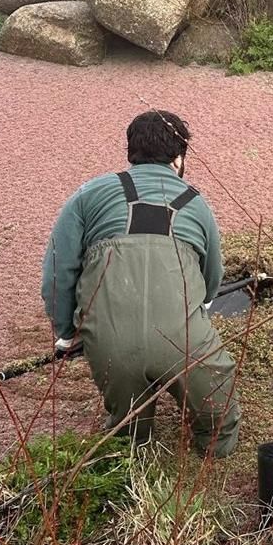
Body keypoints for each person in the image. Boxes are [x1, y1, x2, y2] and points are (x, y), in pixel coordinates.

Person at [40, 110, 240, 456]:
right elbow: (211, 281)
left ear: (131, 153)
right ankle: (213, 458)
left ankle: (133, 453)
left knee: (128, 431)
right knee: (219, 421)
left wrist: (68, 333)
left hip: (109, 342)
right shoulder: (196, 203)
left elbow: (57, 275)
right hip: (184, 341)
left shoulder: (88, 195)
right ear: (179, 159)